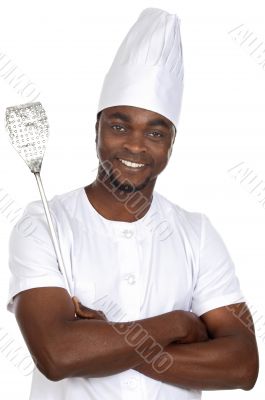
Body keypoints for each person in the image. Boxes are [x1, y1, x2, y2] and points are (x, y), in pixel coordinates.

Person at [7, 7, 258, 400]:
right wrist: (178, 324)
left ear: (171, 146)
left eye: (155, 133)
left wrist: (105, 341)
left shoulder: (197, 233)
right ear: (97, 129)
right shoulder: (43, 223)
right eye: (120, 126)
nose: (136, 146)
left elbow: (242, 366)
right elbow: (57, 355)